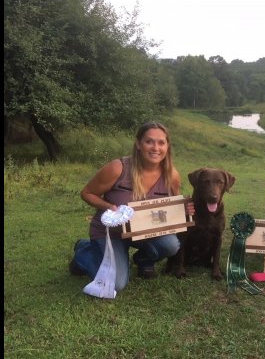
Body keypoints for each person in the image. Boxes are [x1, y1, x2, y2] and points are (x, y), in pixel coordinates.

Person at [69, 121, 195, 291]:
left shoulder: (171, 175)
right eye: (149, 141)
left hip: (144, 233)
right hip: (112, 233)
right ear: (138, 144)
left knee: (171, 245)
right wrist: (109, 206)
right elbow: (87, 193)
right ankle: (83, 252)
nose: (155, 148)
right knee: (116, 284)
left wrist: (183, 211)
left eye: (161, 142)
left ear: (167, 146)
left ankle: (144, 259)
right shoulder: (117, 168)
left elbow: (170, 207)